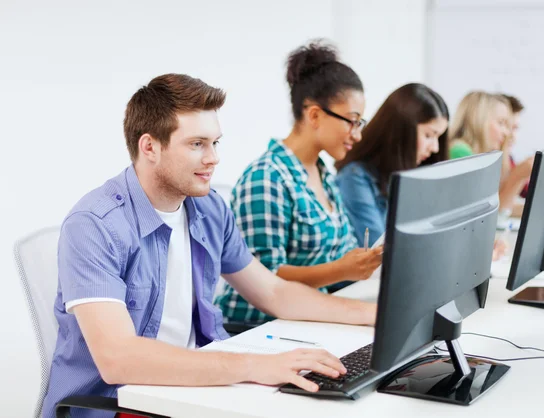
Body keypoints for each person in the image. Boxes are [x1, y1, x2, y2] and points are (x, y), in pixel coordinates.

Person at [42, 73, 378, 418]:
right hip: (120, 404)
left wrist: (374, 316)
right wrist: (253, 366)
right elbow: (118, 360)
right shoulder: (95, 225)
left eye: (215, 143)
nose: (214, 158)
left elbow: (274, 293)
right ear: (150, 147)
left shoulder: (208, 208)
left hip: (194, 390)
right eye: (197, 144)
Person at [214, 41, 383, 326]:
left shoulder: (323, 175)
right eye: (352, 122)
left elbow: (341, 252)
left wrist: (361, 262)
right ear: (315, 115)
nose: (358, 135)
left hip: (307, 320)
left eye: (360, 123)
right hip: (257, 327)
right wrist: (341, 270)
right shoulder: (266, 178)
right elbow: (266, 280)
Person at [335, 83, 449, 245]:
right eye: (429, 135)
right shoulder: (354, 178)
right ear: (401, 133)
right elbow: (379, 251)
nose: (435, 148)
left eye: (438, 137)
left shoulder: (414, 174)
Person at [448, 91, 533, 215]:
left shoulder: (479, 156)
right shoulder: (460, 152)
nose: (506, 133)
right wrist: (517, 176)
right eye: (501, 123)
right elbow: (488, 213)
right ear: (480, 120)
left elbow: (499, 208)